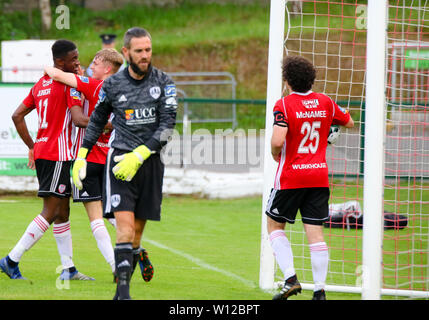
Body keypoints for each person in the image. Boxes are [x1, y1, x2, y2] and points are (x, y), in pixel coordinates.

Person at [72, 27, 177, 300]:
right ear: (126, 52)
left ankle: (128, 272)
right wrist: (82, 154)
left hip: (150, 164)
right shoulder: (112, 84)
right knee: (125, 227)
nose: (145, 56)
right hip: (119, 162)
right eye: (139, 51)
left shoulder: (164, 82)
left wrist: (141, 154)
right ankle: (123, 293)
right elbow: (96, 120)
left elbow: (167, 126)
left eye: (148, 50)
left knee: (137, 234)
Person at [0, 40, 94, 281]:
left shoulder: (41, 83)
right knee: (51, 211)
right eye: (74, 59)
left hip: (45, 151)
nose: (77, 62)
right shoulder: (66, 83)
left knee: (63, 212)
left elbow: (17, 115)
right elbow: (81, 115)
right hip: (58, 155)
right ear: (60, 62)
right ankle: (11, 260)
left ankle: (69, 268)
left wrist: (33, 146)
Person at [265, 56, 354, 300]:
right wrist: (330, 134)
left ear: (287, 81)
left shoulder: (283, 105)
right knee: (315, 233)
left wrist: (275, 155)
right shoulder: (325, 101)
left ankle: (291, 278)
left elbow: (277, 141)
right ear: (312, 79)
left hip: (291, 177)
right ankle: (320, 290)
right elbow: (349, 121)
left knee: (274, 225)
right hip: (318, 176)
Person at [44, 48, 124, 277]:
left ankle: (115, 266)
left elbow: (57, 75)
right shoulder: (122, 90)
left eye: (96, 63)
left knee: (96, 219)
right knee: (112, 214)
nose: (91, 66)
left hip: (88, 159)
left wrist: (49, 68)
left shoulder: (93, 85)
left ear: (106, 68)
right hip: (112, 159)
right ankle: (135, 248)